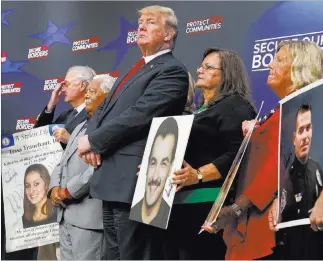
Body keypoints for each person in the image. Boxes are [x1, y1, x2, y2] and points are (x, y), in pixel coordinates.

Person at [77, 5, 189, 260]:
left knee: (134, 255)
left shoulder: (172, 70)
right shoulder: (135, 68)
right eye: (140, 22)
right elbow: (101, 109)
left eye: (150, 22)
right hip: (111, 180)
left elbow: (139, 116)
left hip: (136, 183)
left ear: (169, 34)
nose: (141, 26)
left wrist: (94, 141)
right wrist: (94, 144)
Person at [202, 40, 323, 260]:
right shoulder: (281, 111)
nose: (270, 65)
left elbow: (276, 167)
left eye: (280, 60)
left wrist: (236, 209)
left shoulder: (299, 112)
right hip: (250, 227)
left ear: (300, 67)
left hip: (265, 230)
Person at [166, 47, 256, 260]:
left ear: (227, 75)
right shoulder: (200, 111)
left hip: (208, 208)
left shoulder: (235, 106)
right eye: (201, 65)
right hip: (181, 206)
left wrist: (197, 174)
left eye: (209, 67)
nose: (199, 70)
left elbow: (239, 154)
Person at [48, 74, 116, 260]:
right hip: (65, 216)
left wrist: (68, 191)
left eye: (93, 92)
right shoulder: (80, 127)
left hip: (89, 219)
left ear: (108, 96)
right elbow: (62, 162)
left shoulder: (111, 127)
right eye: (87, 91)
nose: (87, 95)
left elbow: (98, 168)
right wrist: (53, 188)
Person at [272, 104, 323, 259]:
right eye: (301, 130)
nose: (305, 136)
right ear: (294, 138)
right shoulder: (285, 176)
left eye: (308, 128)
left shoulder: (316, 168)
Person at [130, 117, 178, 228]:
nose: (155, 176)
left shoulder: (171, 218)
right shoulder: (131, 212)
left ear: (171, 167)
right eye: (153, 162)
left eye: (163, 164)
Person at [34, 66, 96, 145]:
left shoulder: (95, 114)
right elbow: (37, 136)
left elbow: (96, 149)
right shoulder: (65, 115)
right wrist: (51, 105)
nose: (62, 89)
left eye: (66, 84)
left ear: (82, 86)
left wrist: (70, 140)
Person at [22, 164, 56, 228]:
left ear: (46, 185)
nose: (31, 191)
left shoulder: (58, 213)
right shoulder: (24, 220)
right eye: (27, 186)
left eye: (36, 184)